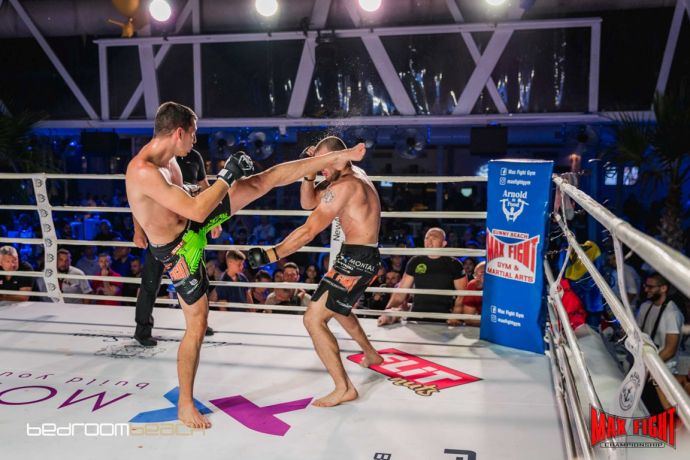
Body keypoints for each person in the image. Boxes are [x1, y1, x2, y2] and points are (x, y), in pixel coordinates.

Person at [125, 102, 365, 428]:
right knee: (197, 324)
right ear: (179, 132)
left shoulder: (170, 160)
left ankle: (334, 157)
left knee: (258, 181)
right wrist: (227, 175)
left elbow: (179, 200)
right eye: (193, 134)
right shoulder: (143, 170)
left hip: (193, 216)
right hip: (180, 249)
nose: (195, 140)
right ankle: (185, 404)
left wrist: (226, 182)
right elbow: (192, 209)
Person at [247, 136, 383, 408]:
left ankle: (344, 388)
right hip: (358, 255)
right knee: (339, 308)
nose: (322, 169)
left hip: (356, 260)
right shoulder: (351, 175)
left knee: (313, 319)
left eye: (325, 163)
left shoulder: (344, 187)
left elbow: (309, 230)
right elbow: (308, 202)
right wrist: (309, 171)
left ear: (340, 158)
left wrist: (272, 254)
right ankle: (371, 354)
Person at [133, 148, 223, 346]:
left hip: (190, 230)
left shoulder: (195, 156)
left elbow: (205, 188)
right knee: (151, 281)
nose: (194, 140)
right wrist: (138, 230)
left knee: (198, 276)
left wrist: (214, 220)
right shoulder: (157, 160)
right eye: (192, 134)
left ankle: (200, 323)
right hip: (161, 232)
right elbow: (140, 200)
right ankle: (142, 330)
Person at [377, 228, 467, 327]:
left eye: (434, 238)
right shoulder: (416, 261)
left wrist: (456, 315)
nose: (429, 241)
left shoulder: (454, 264)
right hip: (416, 318)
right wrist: (387, 312)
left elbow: (462, 294)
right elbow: (401, 292)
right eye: (427, 238)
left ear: (444, 243)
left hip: (443, 319)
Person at [636, 273, 684, 414]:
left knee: (657, 414)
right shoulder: (645, 306)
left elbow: (670, 350)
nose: (646, 290)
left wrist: (648, 366)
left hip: (662, 373)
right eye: (645, 286)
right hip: (644, 369)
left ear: (663, 288)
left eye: (651, 287)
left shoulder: (672, 313)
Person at [452, 261, 485, 327]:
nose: (477, 278)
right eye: (475, 274)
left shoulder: (502, 288)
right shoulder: (472, 285)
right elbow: (468, 319)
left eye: (482, 274)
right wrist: (491, 323)